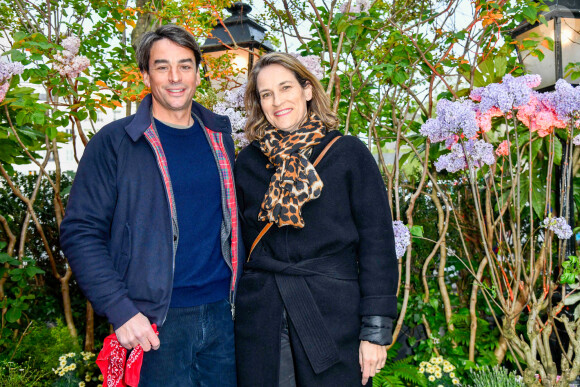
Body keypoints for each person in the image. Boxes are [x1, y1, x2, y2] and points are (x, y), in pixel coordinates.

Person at [60, 24, 242, 386]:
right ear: (145, 74)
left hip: (225, 317)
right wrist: (122, 310)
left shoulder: (220, 138)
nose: (175, 77)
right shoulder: (115, 143)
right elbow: (81, 233)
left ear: (197, 71)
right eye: (162, 66)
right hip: (155, 323)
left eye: (185, 65)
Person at [234, 52, 398, 387]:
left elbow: (377, 243)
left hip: (333, 317)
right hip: (262, 318)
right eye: (266, 94)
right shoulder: (249, 162)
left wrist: (375, 331)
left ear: (307, 90)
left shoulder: (347, 153)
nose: (277, 101)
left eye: (285, 88)